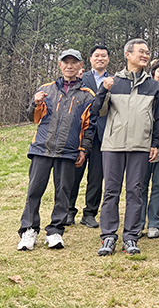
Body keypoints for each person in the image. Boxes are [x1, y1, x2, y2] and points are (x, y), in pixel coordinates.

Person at [17, 49, 97, 251]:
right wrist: (35, 103)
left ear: (81, 66)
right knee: (34, 191)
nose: (69, 66)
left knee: (63, 193)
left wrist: (83, 150)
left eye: (74, 62)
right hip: (42, 149)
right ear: (60, 65)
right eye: (65, 62)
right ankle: (29, 230)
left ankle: (55, 231)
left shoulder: (88, 96)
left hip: (68, 151)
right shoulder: (45, 89)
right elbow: (33, 118)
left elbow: (89, 127)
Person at [93, 39, 159, 256]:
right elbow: (97, 111)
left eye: (147, 52)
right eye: (141, 51)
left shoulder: (153, 85)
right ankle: (108, 236)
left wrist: (156, 143)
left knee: (135, 191)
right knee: (111, 191)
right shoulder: (112, 82)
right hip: (113, 145)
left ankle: (131, 237)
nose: (145, 55)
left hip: (140, 145)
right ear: (128, 54)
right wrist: (103, 91)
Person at [70, 45, 110, 229]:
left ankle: (90, 213)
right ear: (90, 59)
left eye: (104, 56)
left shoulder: (113, 80)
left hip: (103, 134)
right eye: (97, 56)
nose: (100, 58)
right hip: (81, 132)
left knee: (96, 177)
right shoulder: (81, 78)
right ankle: (68, 211)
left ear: (108, 59)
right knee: (74, 174)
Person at [135, 59, 159, 240]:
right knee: (141, 183)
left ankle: (155, 223)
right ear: (153, 73)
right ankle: (138, 223)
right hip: (144, 141)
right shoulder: (145, 89)